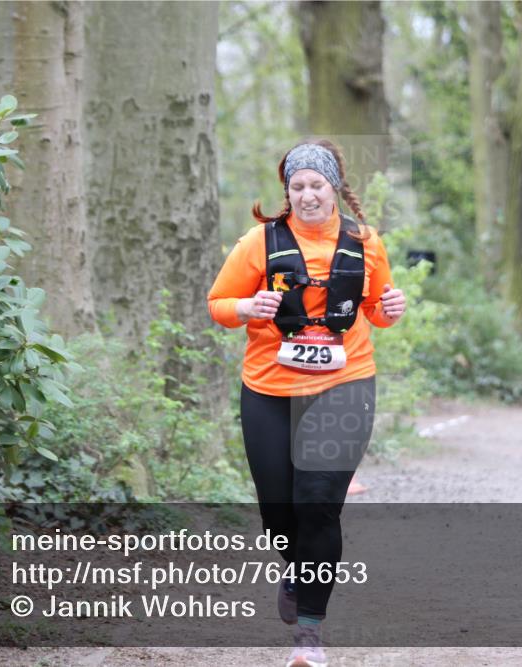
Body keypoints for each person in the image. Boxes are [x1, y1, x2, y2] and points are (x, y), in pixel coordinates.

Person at [208, 140, 406, 667]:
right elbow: (219, 305)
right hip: (269, 388)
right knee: (280, 508)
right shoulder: (259, 242)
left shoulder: (365, 242)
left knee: (318, 503)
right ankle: (295, 571)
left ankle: (309, 636)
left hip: (345, 384)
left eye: (316, 185)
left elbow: (380, 310)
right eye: (297, 187)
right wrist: (248, 305)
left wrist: (393, 307)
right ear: (287, 192)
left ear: (333, 186)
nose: (307, 195)